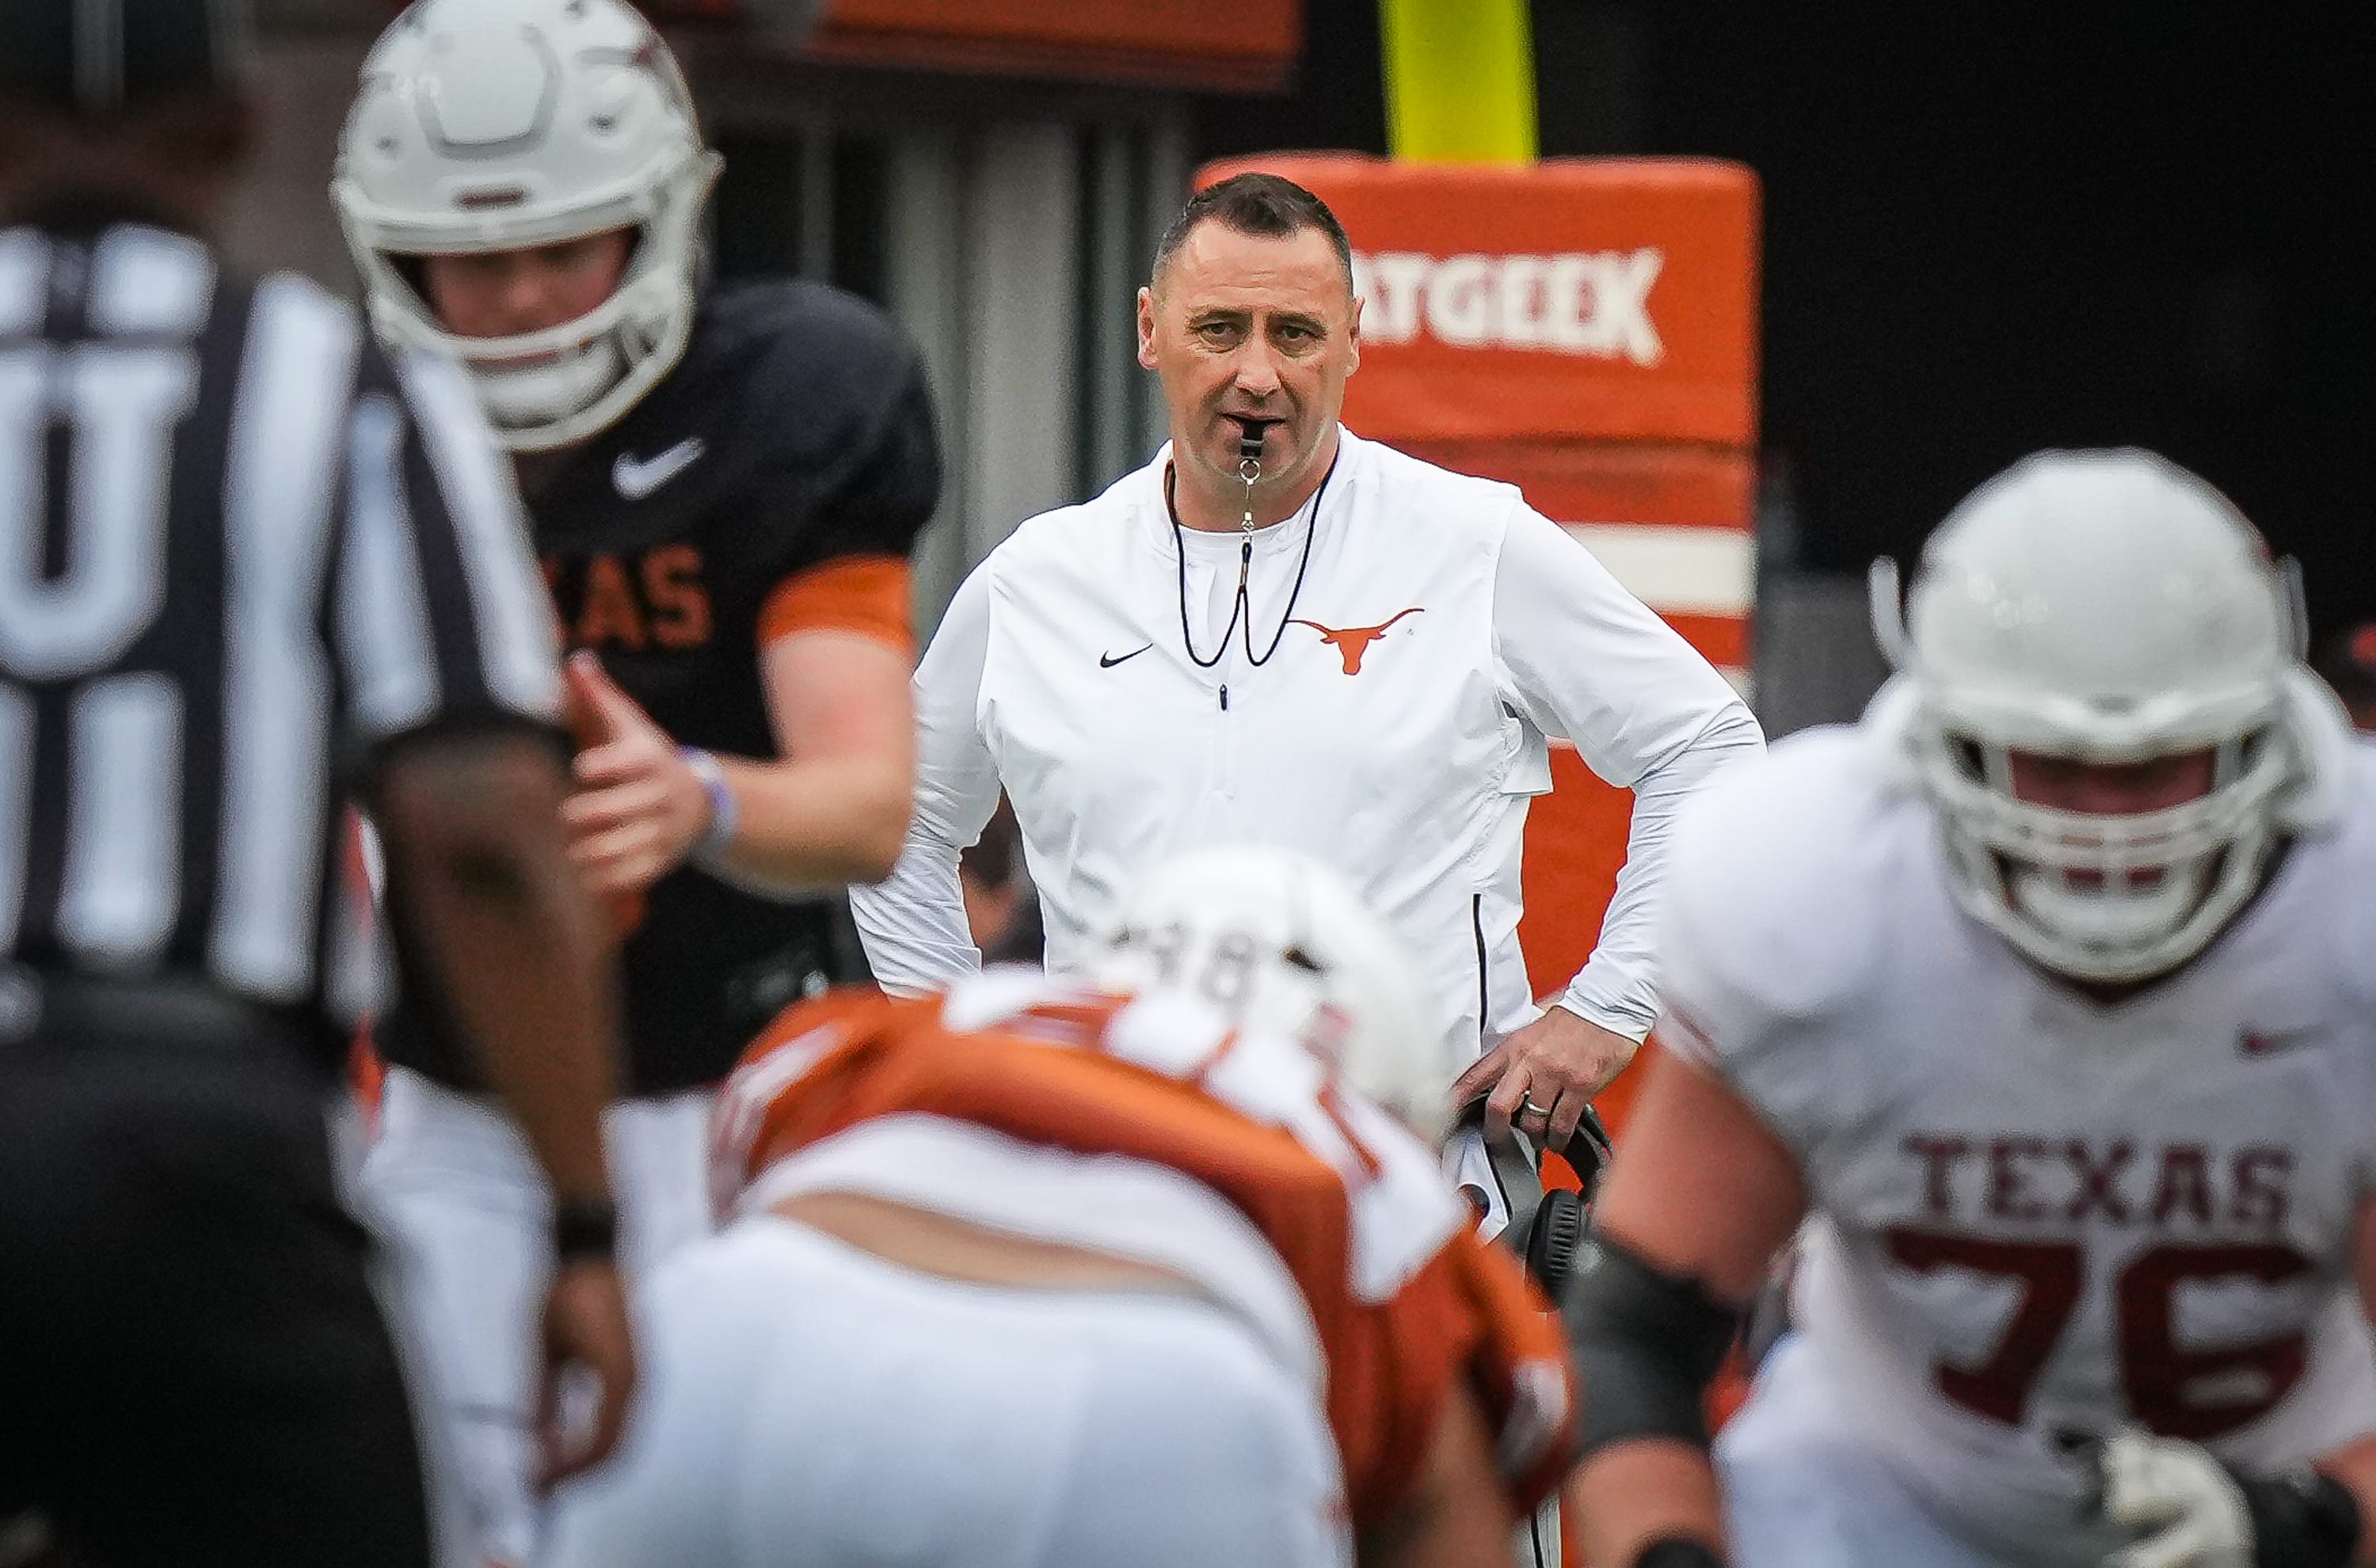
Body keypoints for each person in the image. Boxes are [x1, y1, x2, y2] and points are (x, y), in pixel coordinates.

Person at [0, 4, 630, 1565]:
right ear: (237, 130)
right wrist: (585, 1225)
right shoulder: (342, 385)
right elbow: (478, 830)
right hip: (214, 1146)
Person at [330, 0, 940, 1558]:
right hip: (461, 1114)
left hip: (739, 1092)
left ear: (662, 215)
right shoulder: (334, 428)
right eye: (476, 257)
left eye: (569, 243)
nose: (525, 299)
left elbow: (864, 807)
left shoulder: (790, 395)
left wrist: (696, 801)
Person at [850, 170, 1761, 1196]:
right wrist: (960, 1053)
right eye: (1218, 329)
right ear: (1150, 330)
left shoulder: (1473, 543)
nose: (1256, 373)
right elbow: (898, 824)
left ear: (1355, 339)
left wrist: (1612, 1004)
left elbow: (1709, 750)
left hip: (1416, 1186)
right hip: (1119, 1187)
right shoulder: (1035, 580)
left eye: (1294, 333)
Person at [1566, 450, 2376, 1568]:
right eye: (2049, 763)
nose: (2103, 825)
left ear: (2258, 733)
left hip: (2289, 1485)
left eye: (2154, 766)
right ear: (1948, 740)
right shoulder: (1822, 888)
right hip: (1886, 1494)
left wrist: (2299, 1520)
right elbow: (1637, 1332)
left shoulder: (2349, 915)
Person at [544, 846, 1578, 1568]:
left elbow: (755, 1128)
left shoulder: (935, 1029)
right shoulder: (1356, 1163)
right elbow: (1514, 1429)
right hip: (1151, 1404)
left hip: (739, 1333)